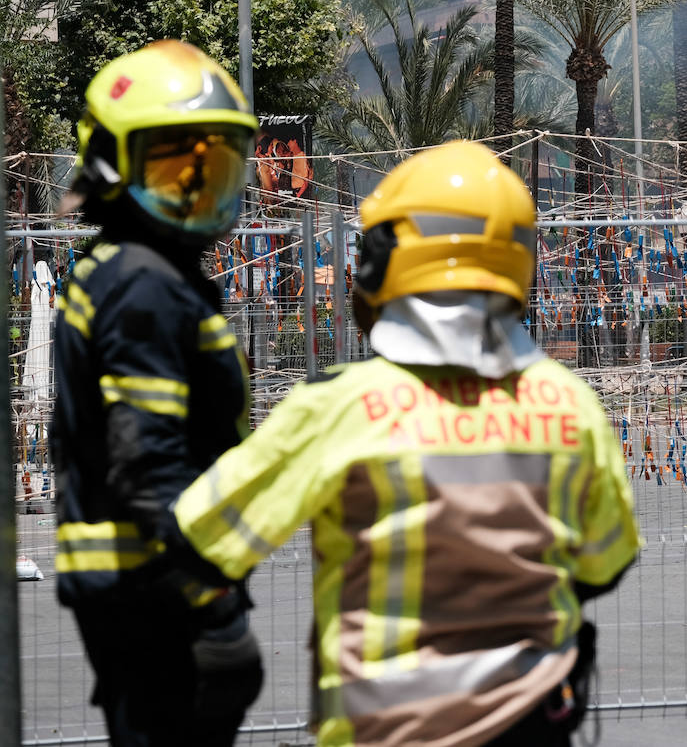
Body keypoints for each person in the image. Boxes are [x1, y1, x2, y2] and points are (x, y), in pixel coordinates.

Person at [168, 140, 642, 746]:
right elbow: (606, 561)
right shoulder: (568, 402)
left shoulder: (338, 407)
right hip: (533, 731)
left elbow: (201, 541)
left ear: (378, 262)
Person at [49, 39, 263, 745]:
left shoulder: (125, 269)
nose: (199, 193)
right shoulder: (143, 284)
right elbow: (148, 463)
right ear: (113, 163)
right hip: (152, 586)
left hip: (133, 581)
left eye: (216, 170)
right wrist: (207, 601)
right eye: (176, 170)